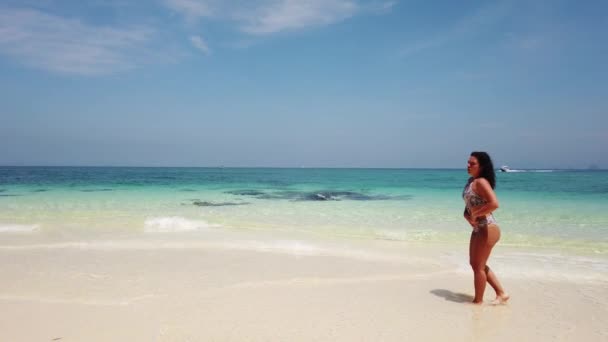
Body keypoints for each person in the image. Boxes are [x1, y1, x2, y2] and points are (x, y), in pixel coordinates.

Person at [463, 151, 509, 304]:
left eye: (472, 163)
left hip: (488, 227)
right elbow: (470, 203)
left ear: (482, 166)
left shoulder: (481, 181)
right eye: (468, 162)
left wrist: (475, 214)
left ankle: (478, 302)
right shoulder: (471, 181)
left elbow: (494, 203)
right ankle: (501, 293)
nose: (468, 165)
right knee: (475, 264)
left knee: (478, 267)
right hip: (478, 228)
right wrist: (467, 214)